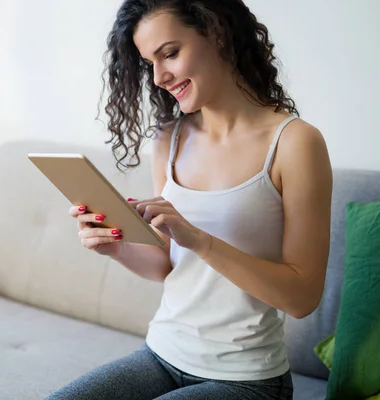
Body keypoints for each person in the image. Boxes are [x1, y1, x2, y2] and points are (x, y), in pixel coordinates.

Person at [45, 0, 333, 399]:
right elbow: (166, 265)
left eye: (170, 53)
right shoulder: (170, 139)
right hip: (161, 354)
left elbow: (302, 298)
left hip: (246, 379)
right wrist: (116, 247)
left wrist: (200, 239)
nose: (159, 76)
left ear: (216, 32)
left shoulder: (294, 143)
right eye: (149, 63)